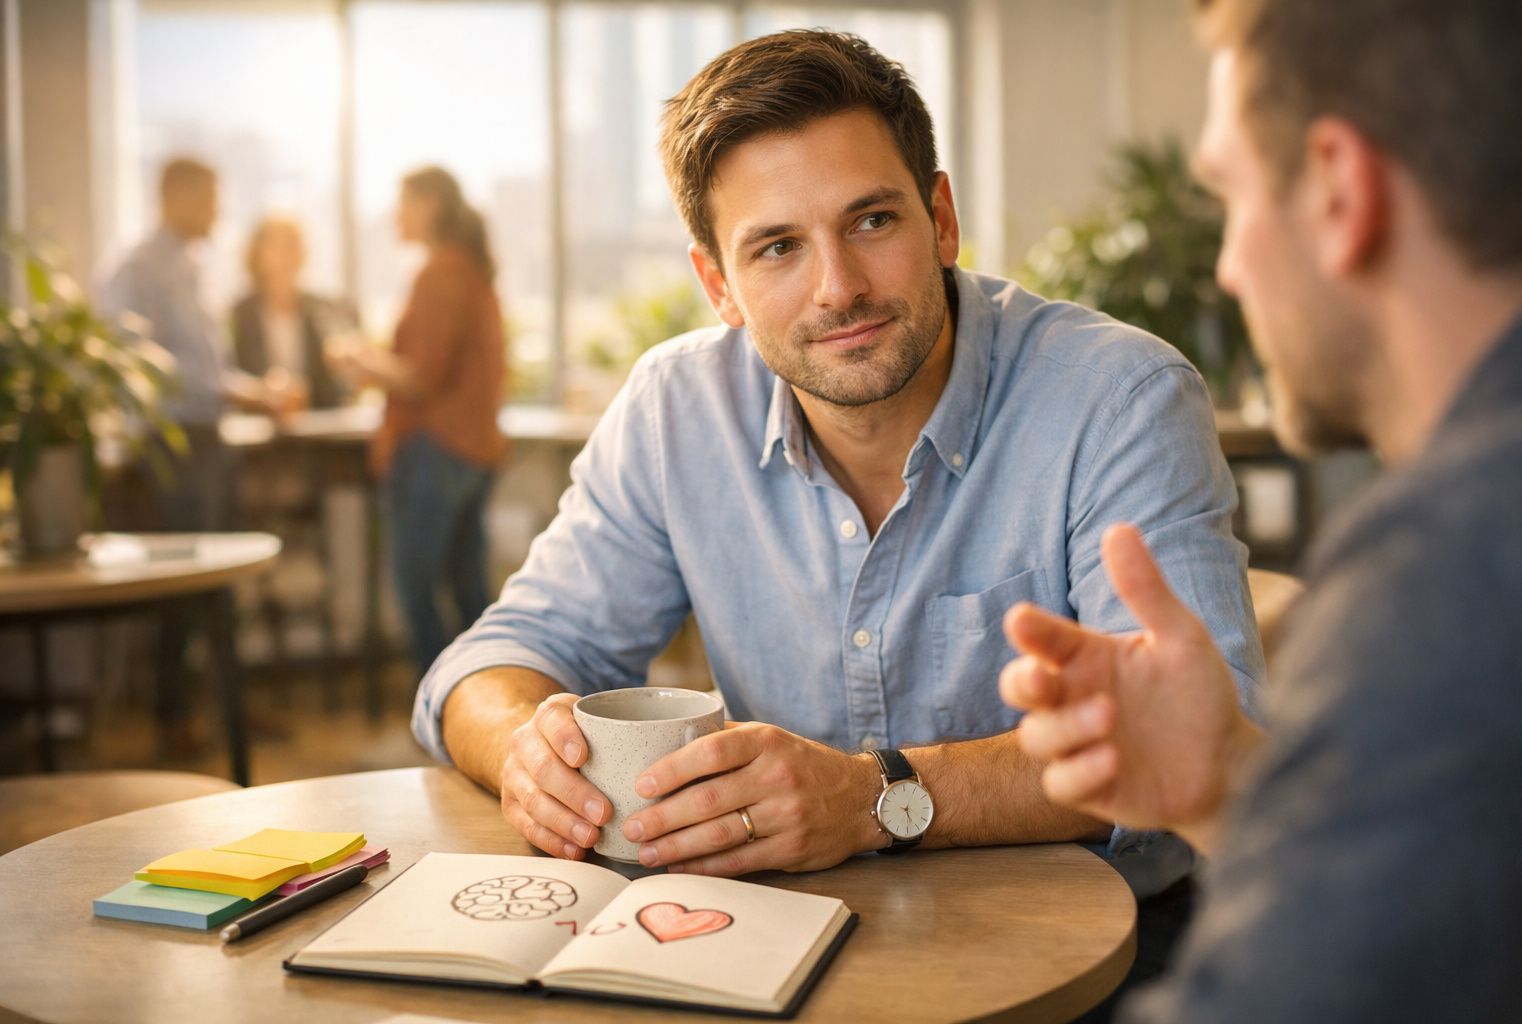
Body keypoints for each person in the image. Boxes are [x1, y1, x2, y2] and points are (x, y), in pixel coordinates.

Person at [412, 30, 1262, 889]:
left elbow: (1186, 742)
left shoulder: (1118, 398)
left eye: (872, 220)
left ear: (940, 220)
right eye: (778, 246)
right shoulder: (677, 410)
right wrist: (527, 749)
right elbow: (497, 660)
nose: (838, 288)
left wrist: (870, 798)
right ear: (718, 286)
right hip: (784, 939)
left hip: (1095, 947)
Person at [999, 0, 1522, 1019]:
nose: (1231, 265)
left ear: (1341, 188)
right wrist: (1227, 786)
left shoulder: (1448, 573)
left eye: (1233, 195)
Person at [100, 157, 287, 753]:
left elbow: (204, 365)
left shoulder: (190, 266)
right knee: (184, 586)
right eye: (208, 197)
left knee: (223, 584)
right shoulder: (136, 268)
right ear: (173, 195)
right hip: (170, 445)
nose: (217, 210)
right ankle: (175, 720)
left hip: (209, 440)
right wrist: (235, 390)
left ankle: (226, 706)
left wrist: (252, 391)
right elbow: (134, 360)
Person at [330, 167, 506, 677]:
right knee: (470, 592)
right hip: (474, 450)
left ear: (428, 204)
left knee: (415, 588)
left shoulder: (440, 273)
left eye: (402, 201)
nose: (395, 214)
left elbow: (422, 376)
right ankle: (489, 709)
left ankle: (444, 714)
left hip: (436, 449)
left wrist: (359, 359)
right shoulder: (472, 271)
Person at [232, 216, 350, 413]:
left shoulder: (325, 311)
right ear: (258, 254)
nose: (284, 255)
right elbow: (229, 374)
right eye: (275, 245)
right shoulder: (240, 314)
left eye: (291, 245)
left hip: (317, 426)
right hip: (258, 429)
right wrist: (264, 390)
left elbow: (339, 386)